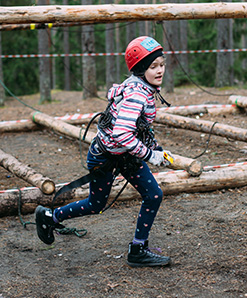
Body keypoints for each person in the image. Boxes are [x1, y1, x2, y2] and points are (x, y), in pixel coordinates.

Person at [35, 36, 173, 268]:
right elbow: (122, 134)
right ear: (140, 69)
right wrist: (151, 156)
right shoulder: (137, 95)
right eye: (153, 66)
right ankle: (49, 217)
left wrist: (155, 148)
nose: (160, 70)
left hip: (126, 156)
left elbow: (139, 129)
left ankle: (138, 249)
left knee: (153, 194)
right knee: (96, 204)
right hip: (105, 158)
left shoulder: (143, 87)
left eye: (162, 64)